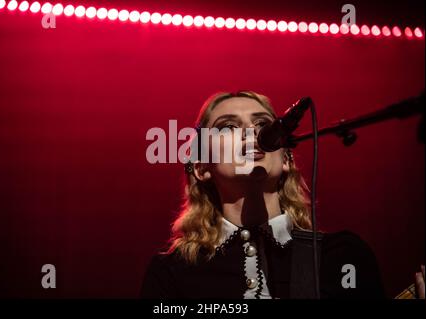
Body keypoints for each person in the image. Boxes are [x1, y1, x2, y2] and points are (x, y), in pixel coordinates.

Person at [140, 91, 424, 299]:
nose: (251, 132)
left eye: (263, 125)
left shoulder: (341, 256)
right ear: (201, 166)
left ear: (286, 158)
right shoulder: (174, 272)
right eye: (227, 127)